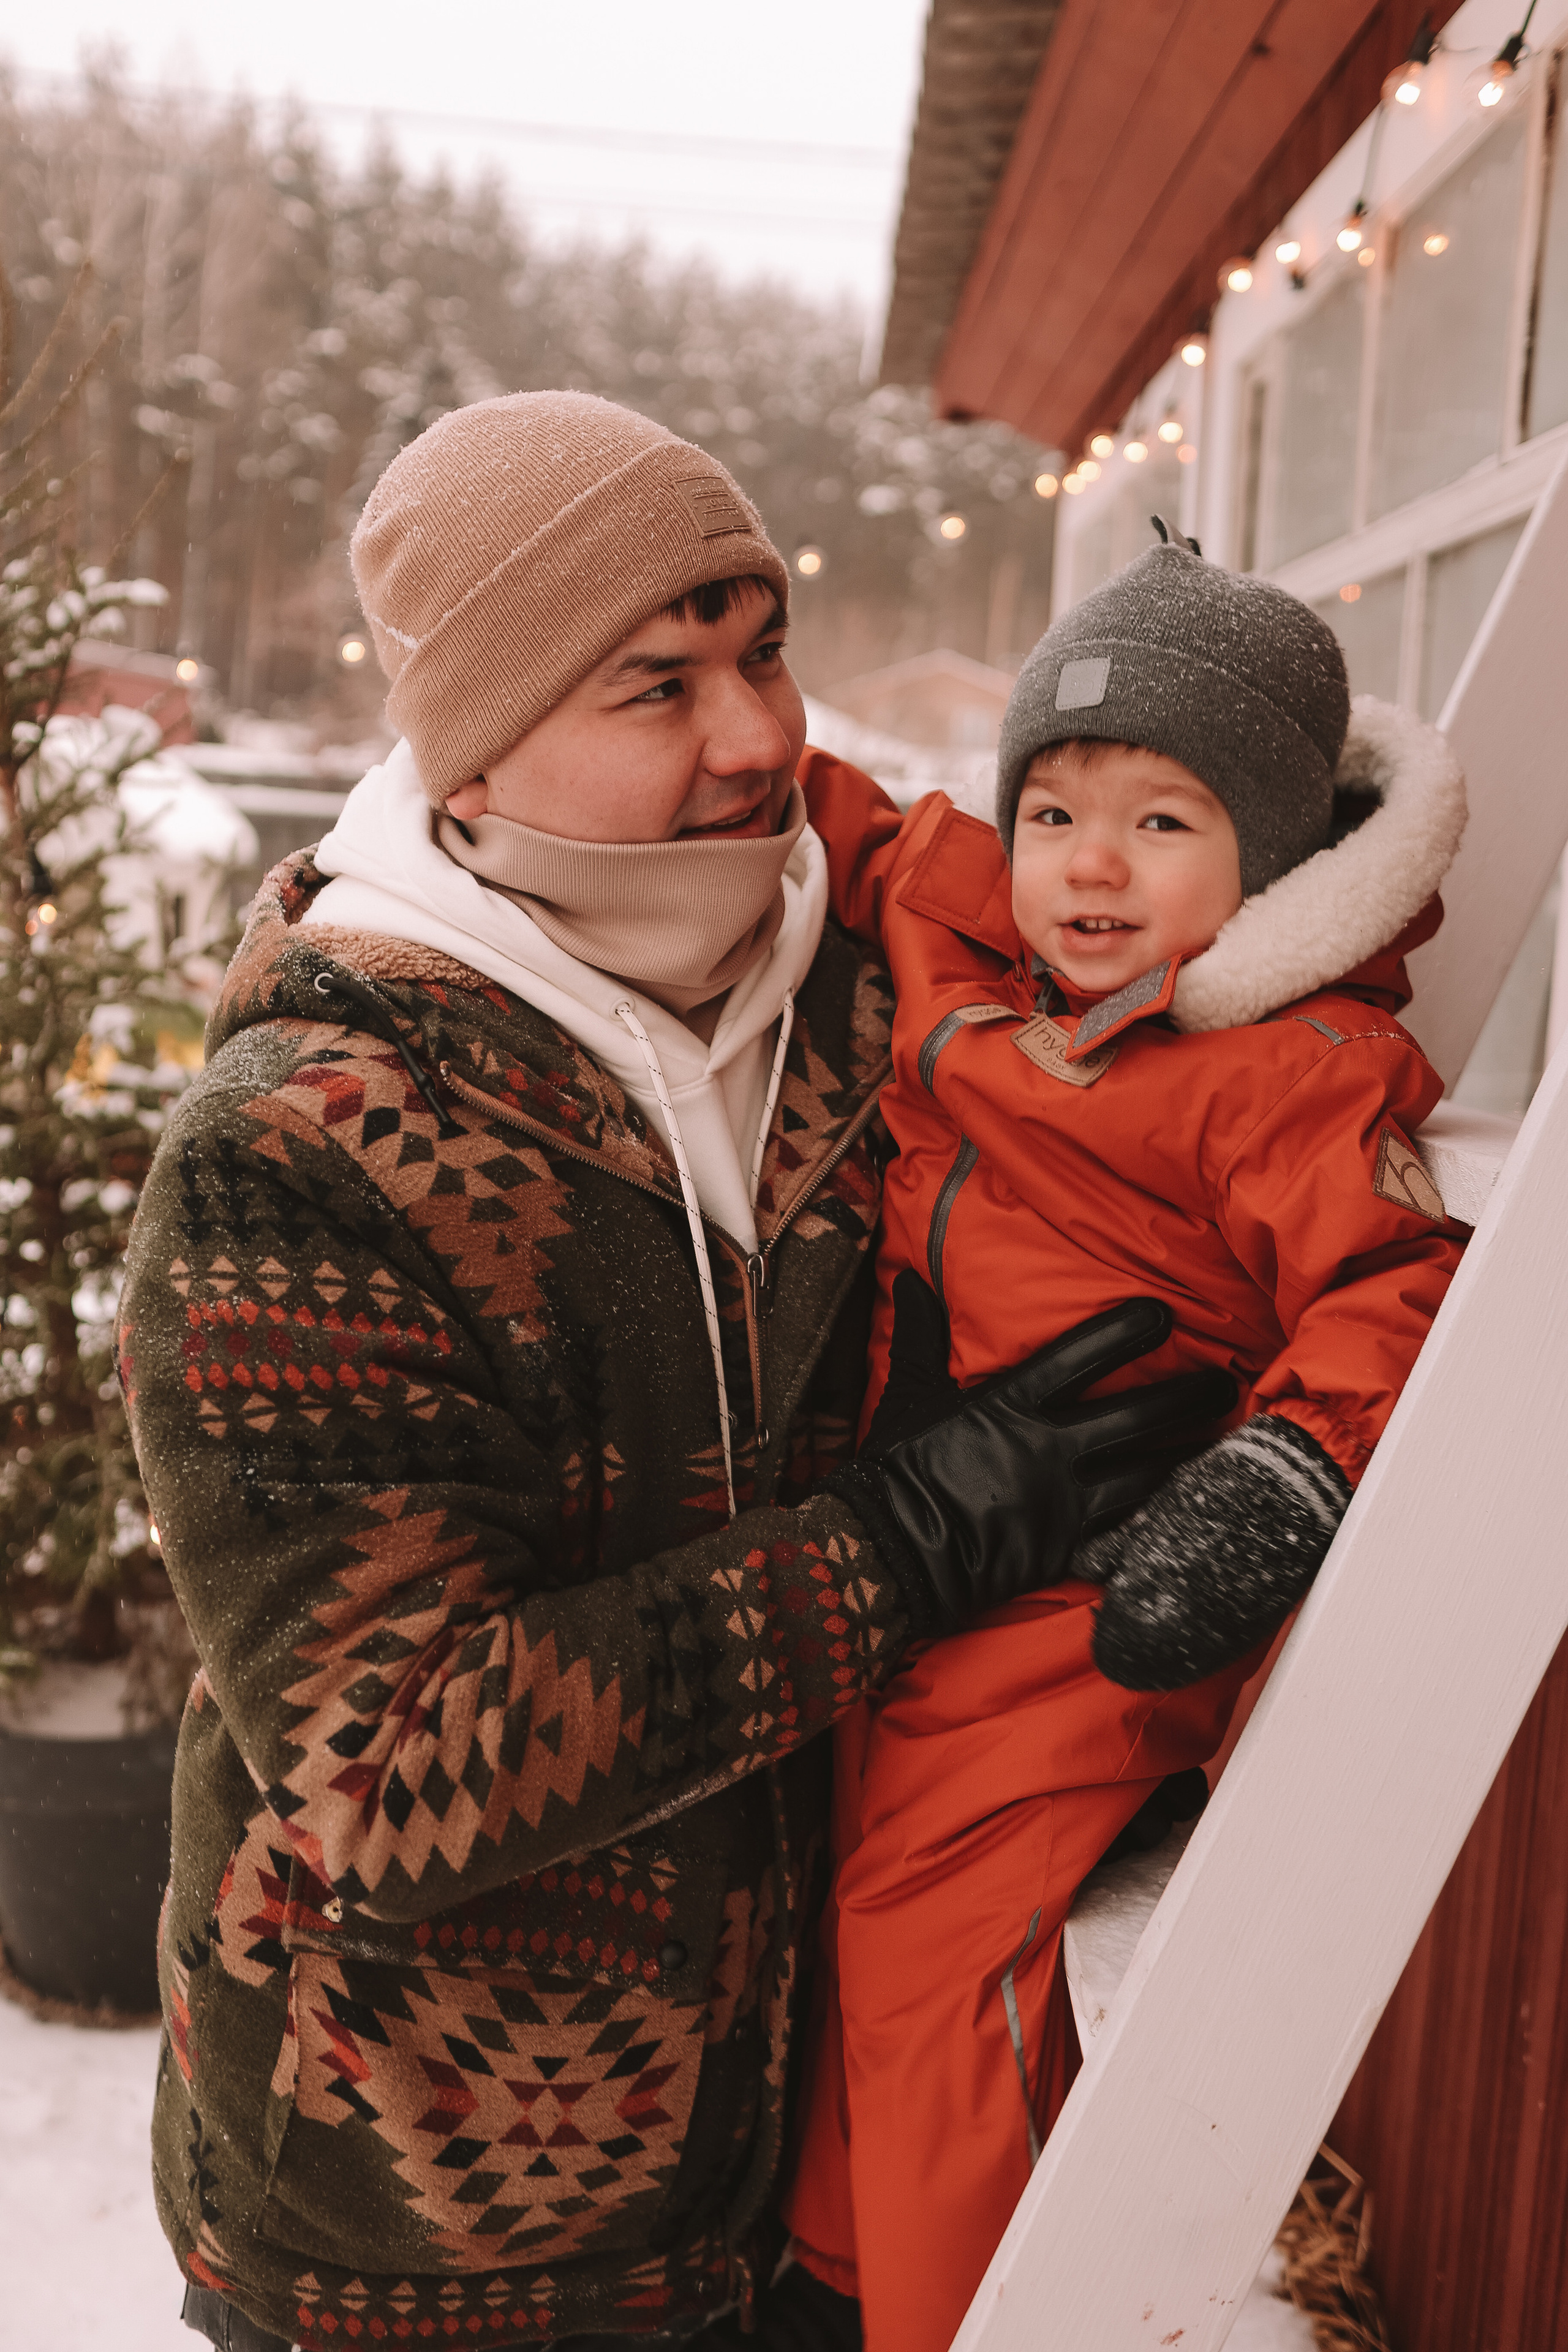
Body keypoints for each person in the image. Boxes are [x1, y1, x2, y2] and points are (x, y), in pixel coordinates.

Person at [118, 399, 1221, 2352]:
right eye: (659, 683)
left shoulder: (872, 998)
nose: (760, 734)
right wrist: (902, 1542)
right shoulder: (304, 1147)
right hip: (415, 2236)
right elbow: (392, 1769)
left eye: (764, 649)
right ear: (480, 737)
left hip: (788, 2171)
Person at [780, 524, 1471, 2352]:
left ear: (1275, 854)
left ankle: (961, 2319)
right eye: (1057, 812)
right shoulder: (978, 945)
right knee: (845, 1857)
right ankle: (840, 2280)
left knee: (926, 1924)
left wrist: (1278, 1480)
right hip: (943, 1526)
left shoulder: (1291, 1071)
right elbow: (836, 811)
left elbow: (1399, 1294)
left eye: (1164, 823)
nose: (1091, 865)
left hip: (1121, 1575)